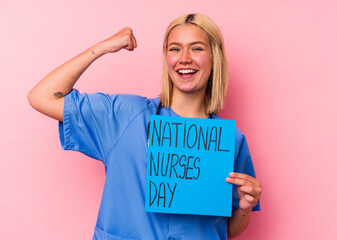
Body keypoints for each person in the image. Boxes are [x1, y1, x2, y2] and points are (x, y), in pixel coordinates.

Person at [28, 13, 262, 240]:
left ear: (215, 57)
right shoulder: (123, 116)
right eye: (175, 48)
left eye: (197, 48)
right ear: (166, 58)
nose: (185, 58)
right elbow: (42, 97)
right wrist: (103, 47)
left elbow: (229, 229)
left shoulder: (229, 140)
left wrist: (245, 206)